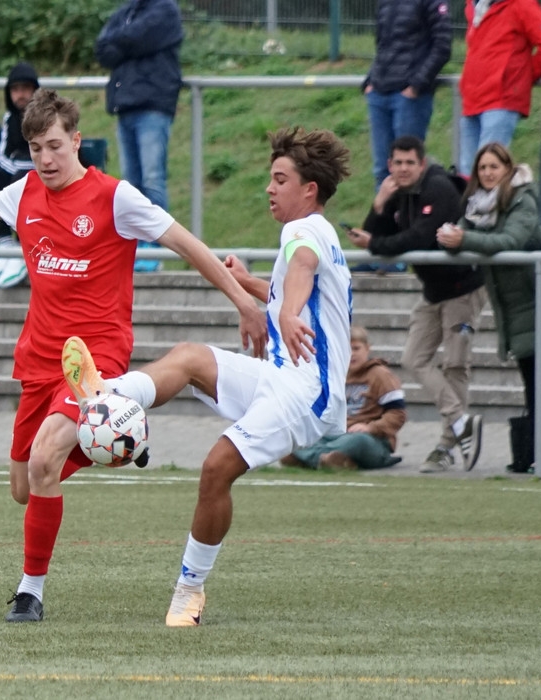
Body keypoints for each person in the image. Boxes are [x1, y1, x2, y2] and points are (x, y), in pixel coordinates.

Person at [0, 89, 268, 624]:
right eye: (35, 149)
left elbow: (187, 245)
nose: (45, 159)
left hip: (94, 359)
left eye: (54, 146)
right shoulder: (24, 192)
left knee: (47, 458)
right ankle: (115, 438)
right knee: (24, 488)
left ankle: (30, 592)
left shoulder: (115, 198)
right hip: (38, 359)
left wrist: (243, 302)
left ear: (75, 141)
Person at [63, 126, 353, 627]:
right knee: (191, 357)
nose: (269, 188)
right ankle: (109, 394)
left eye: (280, 179)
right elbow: (295, 282)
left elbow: (301, 269)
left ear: (309, 190)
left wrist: (288, 313)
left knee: (217, 468)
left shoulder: (305, 233)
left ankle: (189, 591)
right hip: (282, 375)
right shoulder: (317, 234)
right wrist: (250, 285)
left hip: (308, 392)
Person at [347, 136, 486, 474]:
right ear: (389, 165)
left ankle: (446, 445)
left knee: (455, 365)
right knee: (413, 357)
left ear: (422, 164)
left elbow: (421, 237)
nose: (403, 169)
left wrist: (376, 242)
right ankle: (461, 422)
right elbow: (373, 237)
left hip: (462, 288)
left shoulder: (438, 187)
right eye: (397, 163)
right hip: (432, 291)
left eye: (410, 162)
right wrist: (379, 202)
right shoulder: (398, 192)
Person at [436, 142, 541, 471]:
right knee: (534, 380)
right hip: (511, 306)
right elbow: (465, 233)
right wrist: (450, 236)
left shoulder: (522, 199)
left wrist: (463, 240)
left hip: (536, 299)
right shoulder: (478, 205)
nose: (488, 173)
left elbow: (509, 241)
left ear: (508, 169)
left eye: (494, 166)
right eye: (482, 168)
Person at [95, 0, 183, 273]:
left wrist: (122, 42)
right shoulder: (127, 11)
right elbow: (102, 49)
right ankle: (134, 247)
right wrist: (128, 41)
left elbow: (133, 39)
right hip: (125, 106)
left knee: (152, 180)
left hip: (153, 106)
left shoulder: (165, 10)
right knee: (131, 185)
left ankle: (155, 248)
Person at [457, 0, 541, 177]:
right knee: (468, 174)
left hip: (500, 100)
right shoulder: (475, 5)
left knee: (489, 172)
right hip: (472, 99)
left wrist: (522, 77)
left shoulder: (520, 4)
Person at [284, 326, 407, 470]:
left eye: (356, 348)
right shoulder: (335, 375)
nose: (352, 354)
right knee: (299, 435)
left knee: (358, 441)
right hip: (337, 435)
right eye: (347, 349)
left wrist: (370, 427)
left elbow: (398, 414)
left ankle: (310, 457)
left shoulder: (381, 375)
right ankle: (333, 460)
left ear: (368, 348)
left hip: (372, 439)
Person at [363, 0, 452, 190]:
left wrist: (416, 85)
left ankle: (411, 210)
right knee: (382, 169)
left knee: (409, 169)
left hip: (410, 99)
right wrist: (370, 81)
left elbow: (443, 46)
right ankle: (384, 210)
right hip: (379, 92)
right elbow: (382, 43)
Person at [0, 62, 41, 290]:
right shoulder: (9, 119)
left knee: (22, 179)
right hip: (18, 174)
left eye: (25, 88)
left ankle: (24, 248)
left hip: (47, 178)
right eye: (15, 89)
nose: (20, 95)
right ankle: (6, 247)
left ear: (34, 90)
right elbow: (1, 156)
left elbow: (44, 155)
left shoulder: (47, 117)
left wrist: (18, 167)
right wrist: (17, 167)